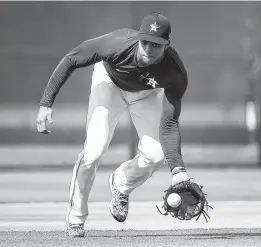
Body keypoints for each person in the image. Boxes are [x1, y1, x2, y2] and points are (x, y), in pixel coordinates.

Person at [36, 12, 200, 237]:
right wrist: (46, 102)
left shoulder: (175, 72)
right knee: (93, 153)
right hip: (109, 84)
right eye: (145, 42)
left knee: (155, 154)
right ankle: (75, 218)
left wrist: (178, 170)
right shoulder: (117, 44)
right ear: (139, 39)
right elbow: (71, 59)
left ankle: (121, 183)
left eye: (156, 44)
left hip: (145, 93)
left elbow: (169, 124)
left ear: (167, 45)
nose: (149, 49)